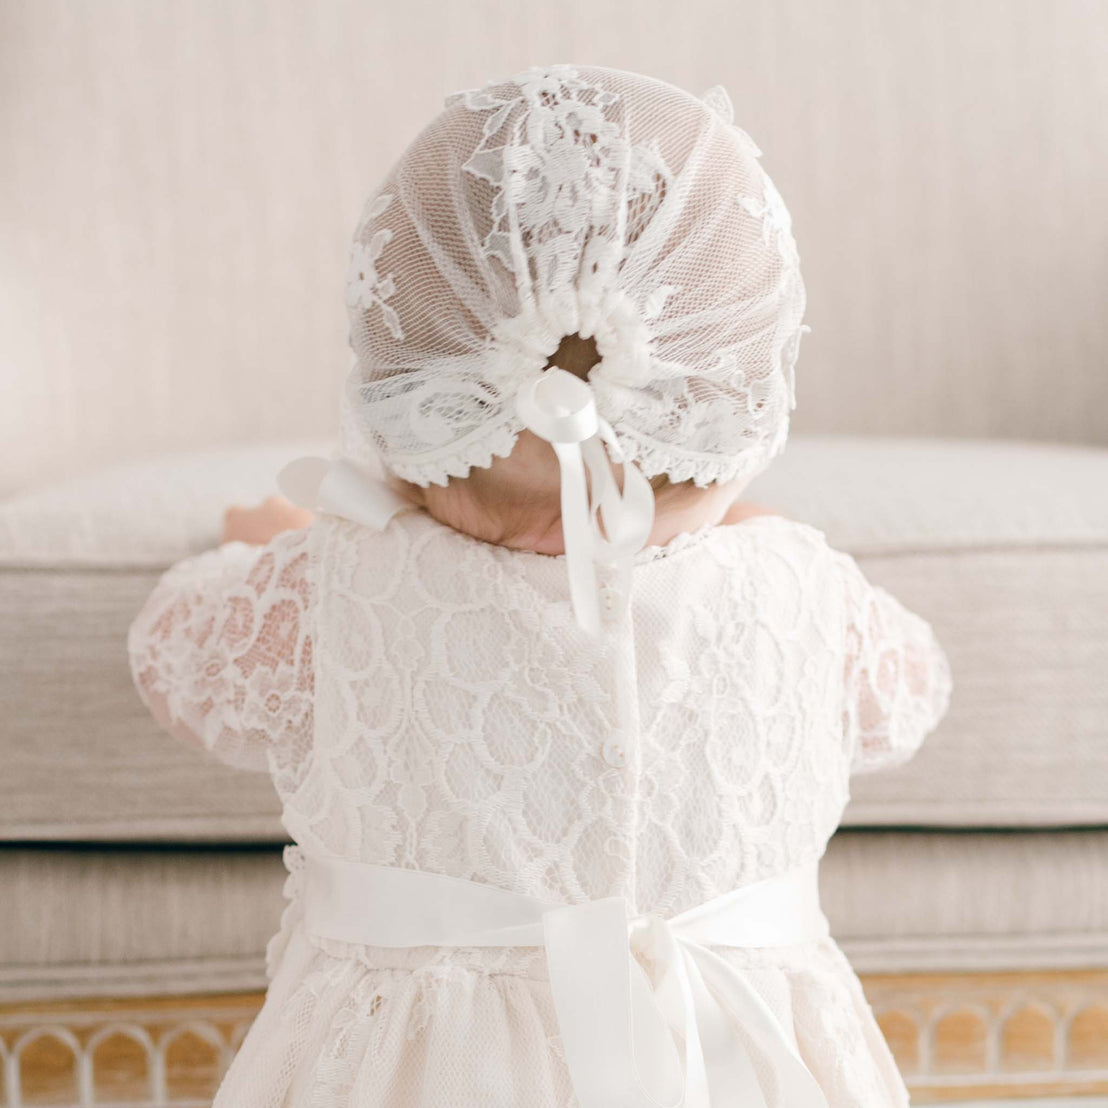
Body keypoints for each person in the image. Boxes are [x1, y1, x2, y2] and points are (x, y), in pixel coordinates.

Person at [128, 63, 951, 1107]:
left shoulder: (338, 583)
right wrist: (761, 539)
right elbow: (908, 696)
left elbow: (179, 663)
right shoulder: (800, 592)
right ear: (735, 409)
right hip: (732, 1071)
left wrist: (265, 544)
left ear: (407, 396)